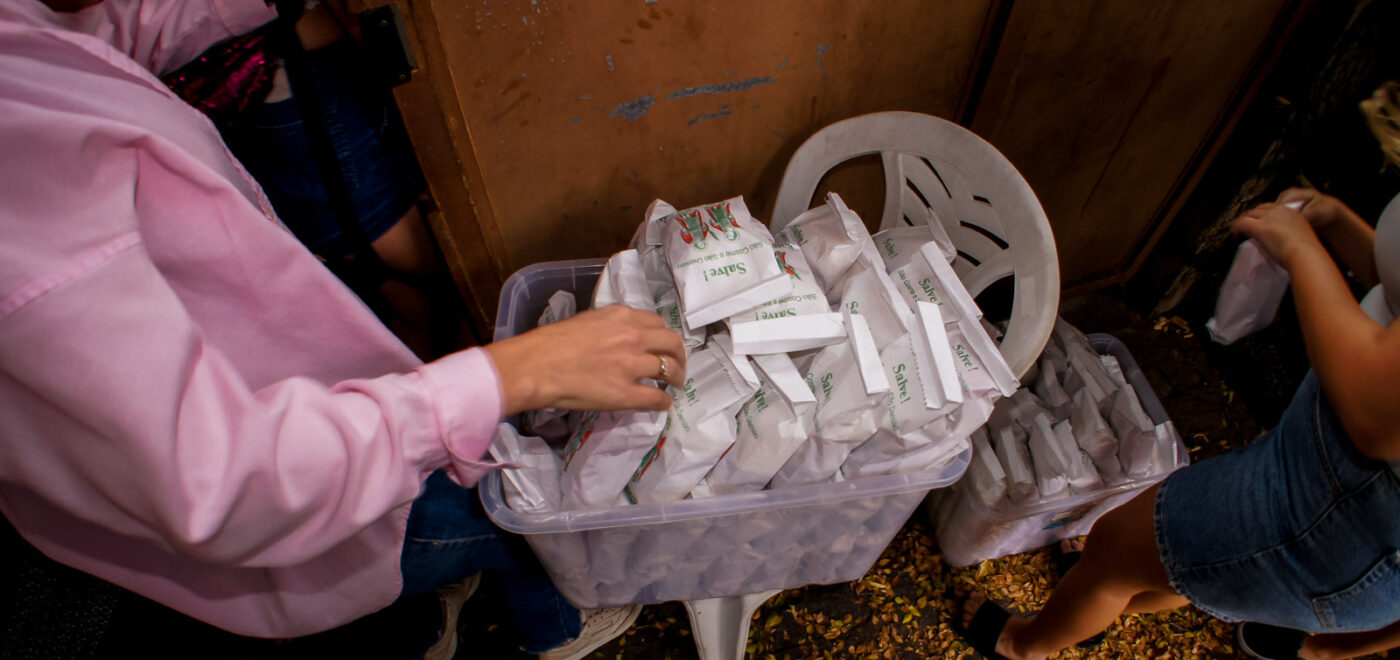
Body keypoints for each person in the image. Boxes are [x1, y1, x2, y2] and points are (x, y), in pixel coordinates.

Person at [0, 1, 687, 658]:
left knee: (417, 561)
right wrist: (513, 373)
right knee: (511, 517)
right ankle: (561, 629)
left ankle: (421, 627)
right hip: (302, 500)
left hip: (313, 423)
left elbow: (85, 43)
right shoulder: (26, 206)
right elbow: (236, 485)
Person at [954, 122, 1400, 657]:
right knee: (1173, 562)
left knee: (1123, 540)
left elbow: (1377, 417)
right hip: (1323, 489)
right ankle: (1100, 593)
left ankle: (1024, 643)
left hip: (1339, 520)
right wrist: (1338, 225)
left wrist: (1305, 253)